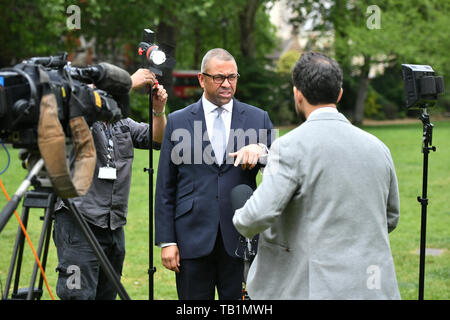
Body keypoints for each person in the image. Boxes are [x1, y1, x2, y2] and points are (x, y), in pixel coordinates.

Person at [232, 52, 401, 300]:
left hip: (314, 288)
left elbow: (255, 217)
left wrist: (240, 214)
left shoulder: (287, 148)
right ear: (340, 93)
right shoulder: (378, 147)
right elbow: (391, 217)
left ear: (297, 93)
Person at [155, 48, 275, 300]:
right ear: (202, 79)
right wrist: (167, 241)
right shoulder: (178, 121)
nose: (227, 84)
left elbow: (282, 168)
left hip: (242, 238)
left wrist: (262, 150)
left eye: (232, 77)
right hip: (191, 238)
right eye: (219, 77)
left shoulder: (258, 118)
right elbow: (166, 186)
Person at [53, 68, 167, 300]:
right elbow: (81, 100)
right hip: (79, 222)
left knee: (107, 294)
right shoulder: (78, 117)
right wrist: (128, 82)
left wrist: (158, 111)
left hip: (113, 225)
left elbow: (157, 138)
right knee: (77, 296)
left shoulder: (121, 122)